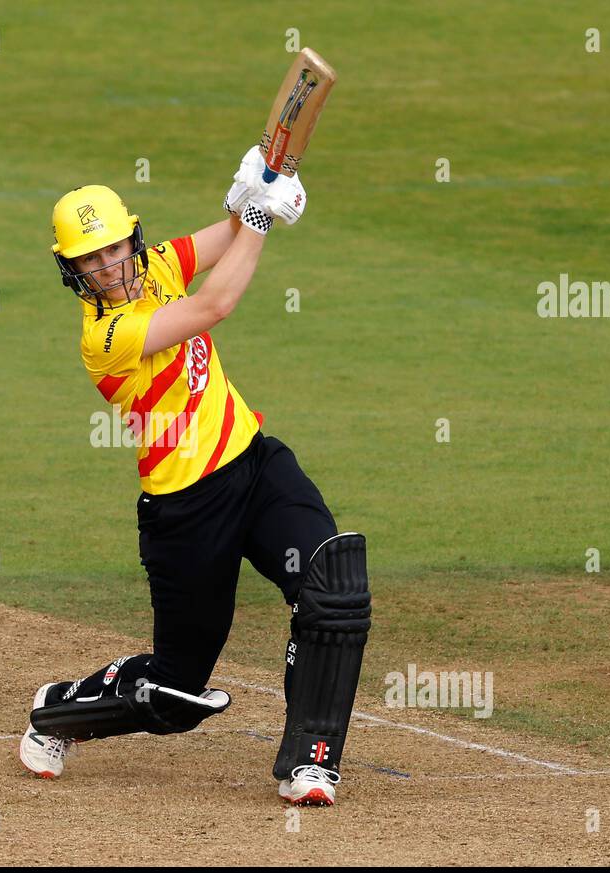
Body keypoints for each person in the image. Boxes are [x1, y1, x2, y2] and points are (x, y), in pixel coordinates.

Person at [20, 148, 372, 806]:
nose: (108, 266)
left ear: (133, 238)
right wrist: (257, 219)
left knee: (333, 590)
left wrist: (256, 197)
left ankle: (311, 762)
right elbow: (214, 305)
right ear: (72, 271)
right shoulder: (107, 334)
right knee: (176, 694)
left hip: (255, 464)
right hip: (187, 510)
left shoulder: (155, 265)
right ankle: (58, 711)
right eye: (89, 259)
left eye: (114, 248)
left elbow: (228, 237)